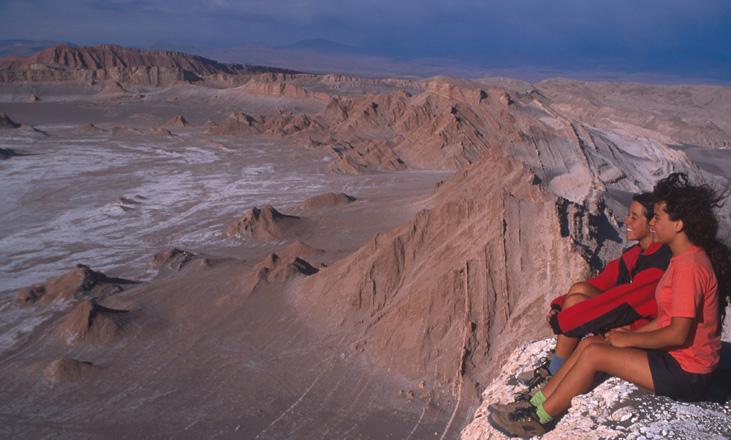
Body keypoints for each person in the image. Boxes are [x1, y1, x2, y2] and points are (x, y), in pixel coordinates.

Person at [489, 173, 731, 438]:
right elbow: (665, 319)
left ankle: (538, 418)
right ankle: (534, 403)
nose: (653, 223)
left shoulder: (690, 268)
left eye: (658, 218)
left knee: (596, 354)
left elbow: (677, 333)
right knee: (591, 343)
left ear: (679, 225)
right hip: (675, 359)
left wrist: (628, 341)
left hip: (686, 372)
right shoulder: (682, 259)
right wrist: (630, 336)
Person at [518, 193, 672, 390]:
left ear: (652, 223)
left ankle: (554, 373)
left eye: (634, 217)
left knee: (574, 303)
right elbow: (602, 283)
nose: (626, 221)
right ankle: (556, 366)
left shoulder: (658, 264)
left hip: (641, 332)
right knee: (579, 289)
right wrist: (558, 305)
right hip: (629, 316)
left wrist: (566, 320)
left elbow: (620, 303)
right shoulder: (637, 253)